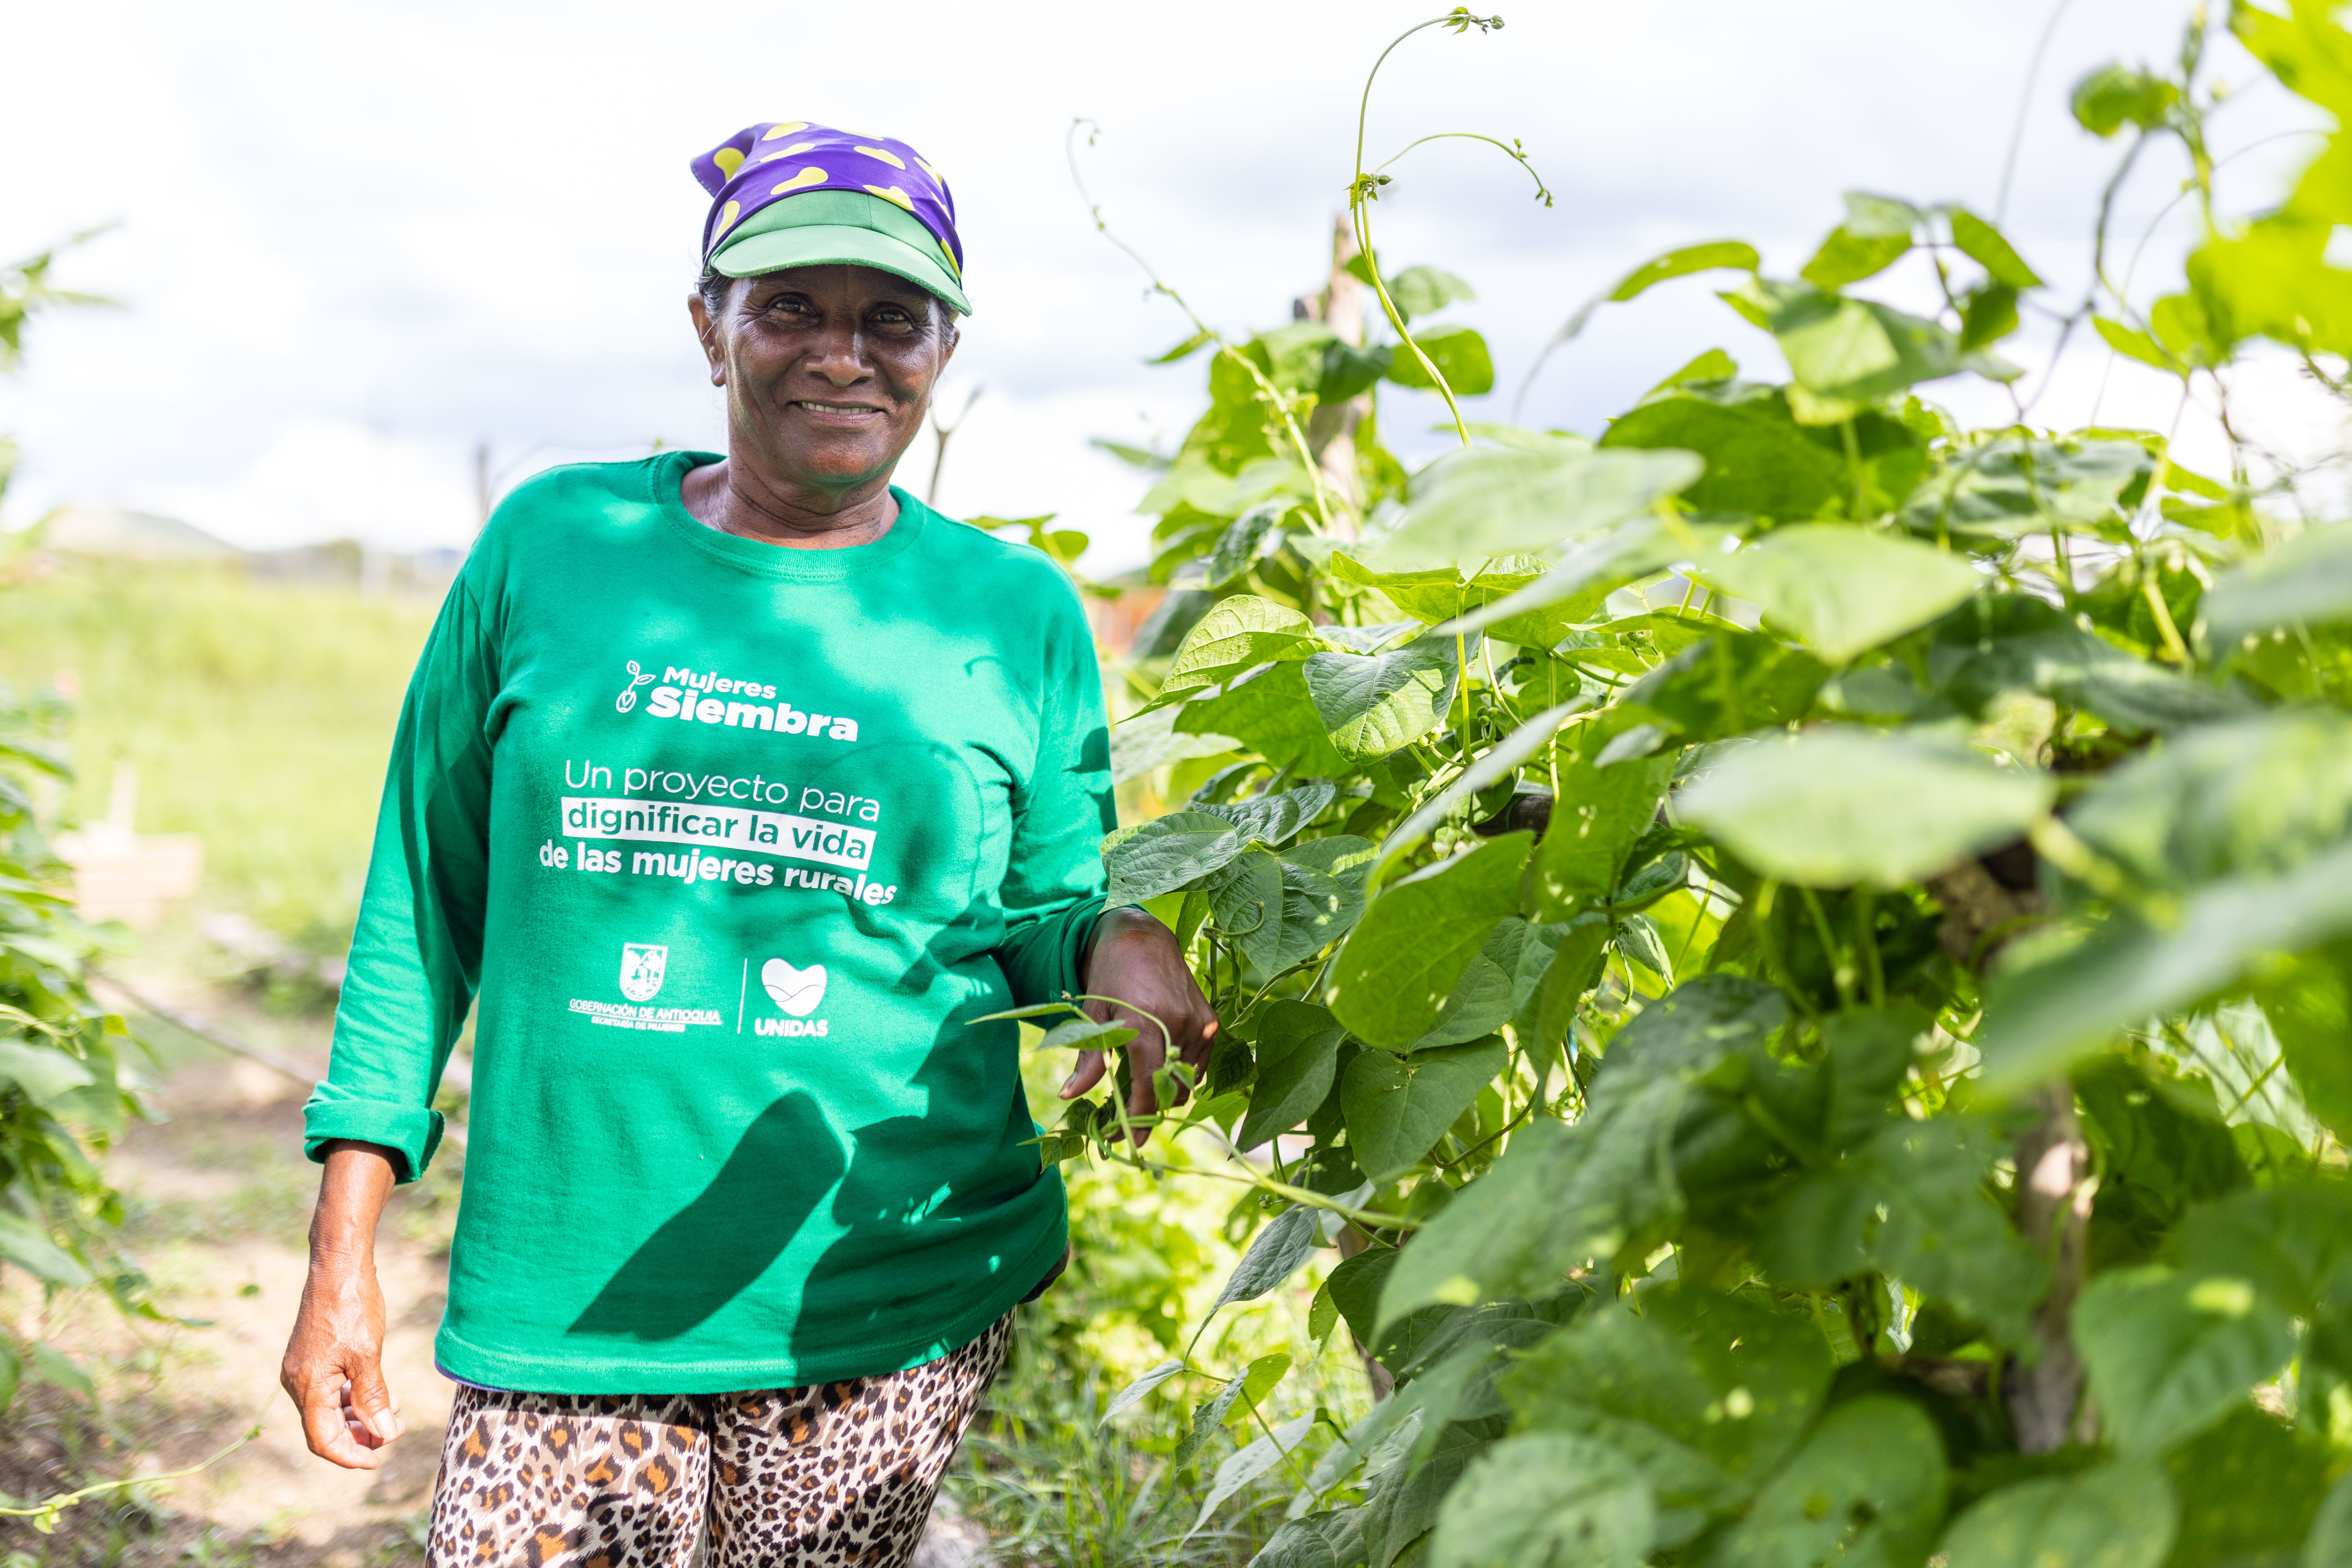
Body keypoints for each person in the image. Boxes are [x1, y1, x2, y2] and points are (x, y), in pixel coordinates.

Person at [279, 119, 1217, 1568]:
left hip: (881, 1284)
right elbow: (424, 894)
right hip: (565, 1287)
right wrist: (342, 1249)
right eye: (791, 307)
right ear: (708, 328)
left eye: (890, 319)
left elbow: (1044, 908)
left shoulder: (1014, 612)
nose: (843, 355)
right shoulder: (552, 545)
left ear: (943, 351)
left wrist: (1114, 938)